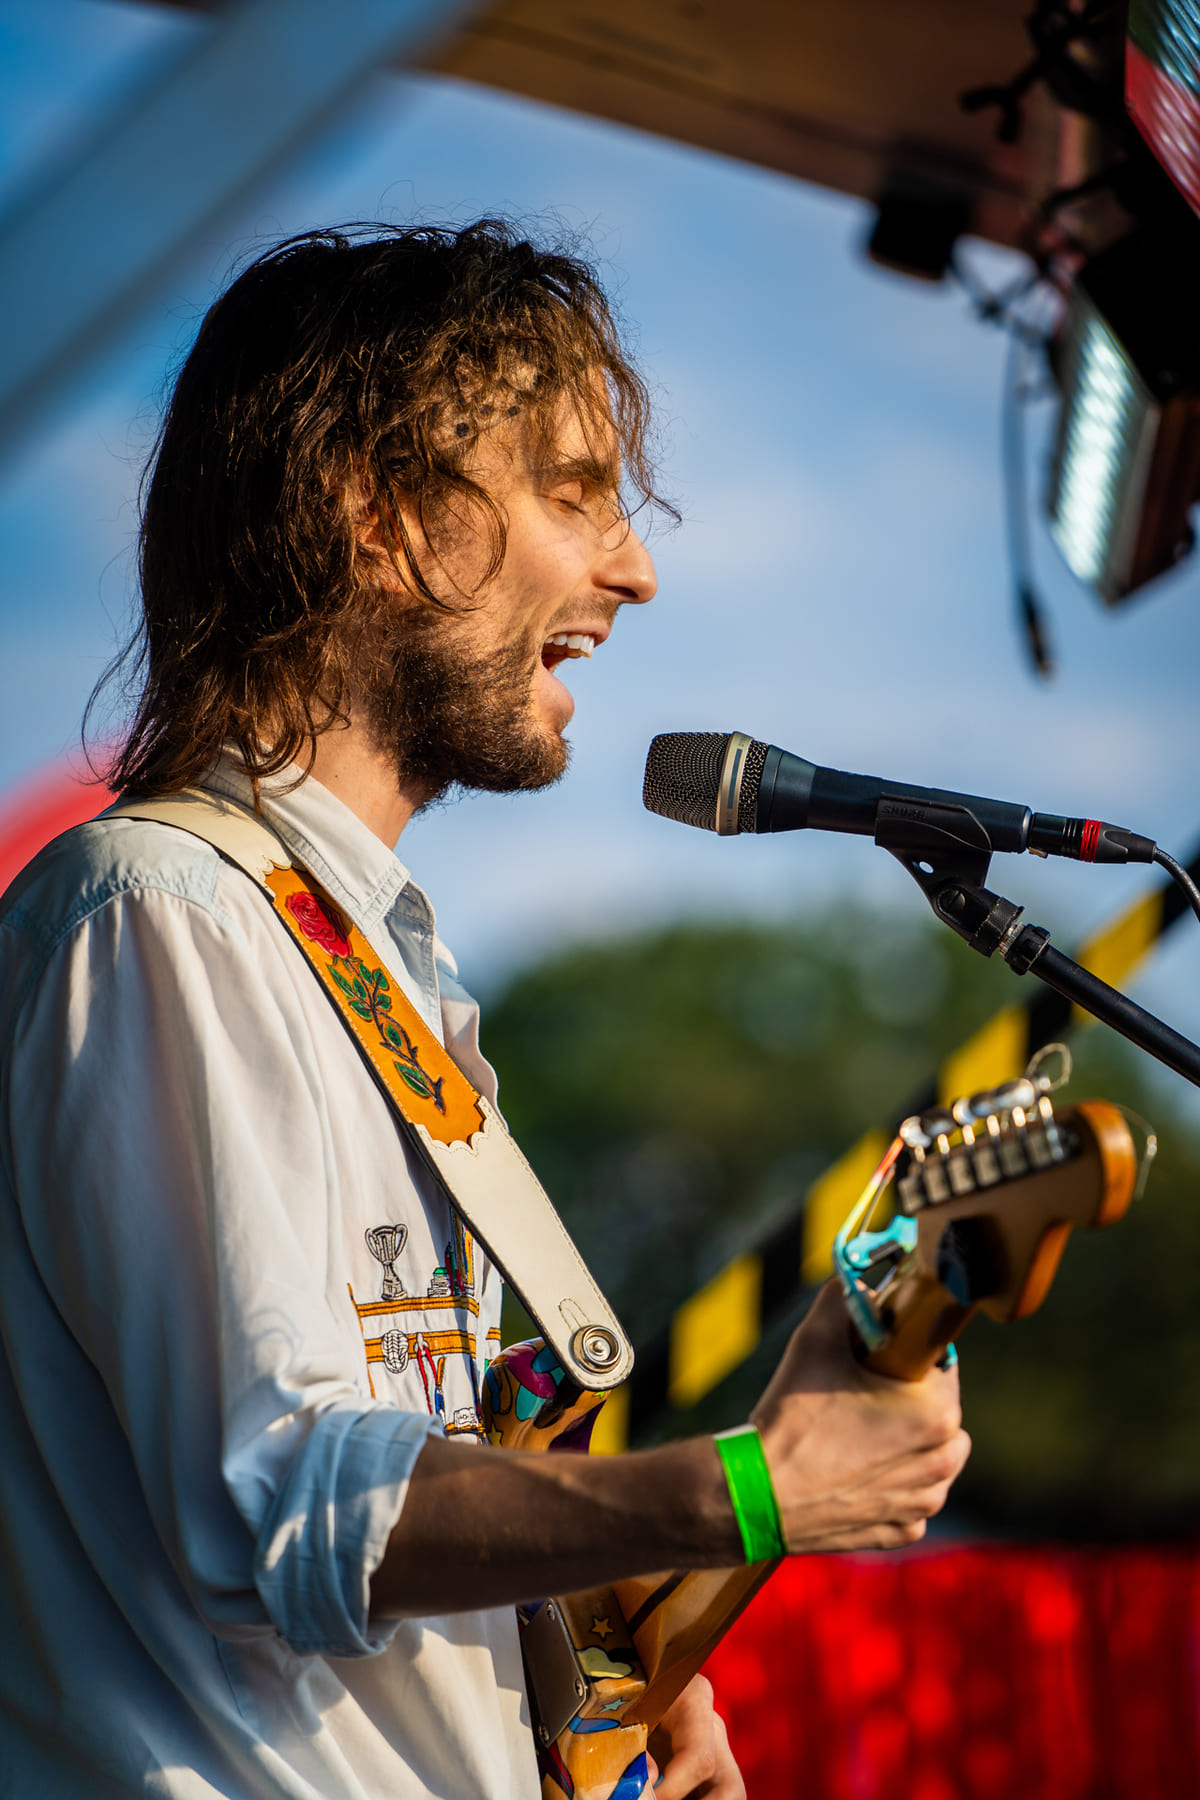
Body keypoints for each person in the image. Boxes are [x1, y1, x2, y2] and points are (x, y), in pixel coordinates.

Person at [0, 221, 970, 1800]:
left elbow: (409, 1477)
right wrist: (743, 1487)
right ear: (380, 518)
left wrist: (603, 1652)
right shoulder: (159, 912)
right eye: (573, 494)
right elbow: (277, 1502)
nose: (634, 569)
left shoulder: (377, 969)